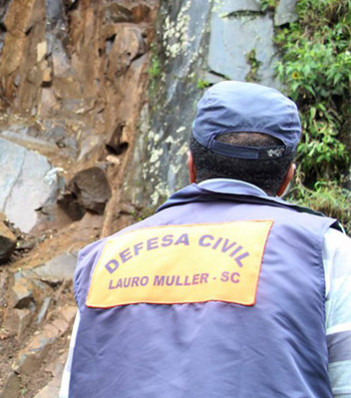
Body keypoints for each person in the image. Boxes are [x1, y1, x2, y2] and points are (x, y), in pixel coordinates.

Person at [59, 81, 351, 397]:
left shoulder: (104, 259)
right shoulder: (325, 253)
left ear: (191, 167)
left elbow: (74, 386)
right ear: (287, 179)